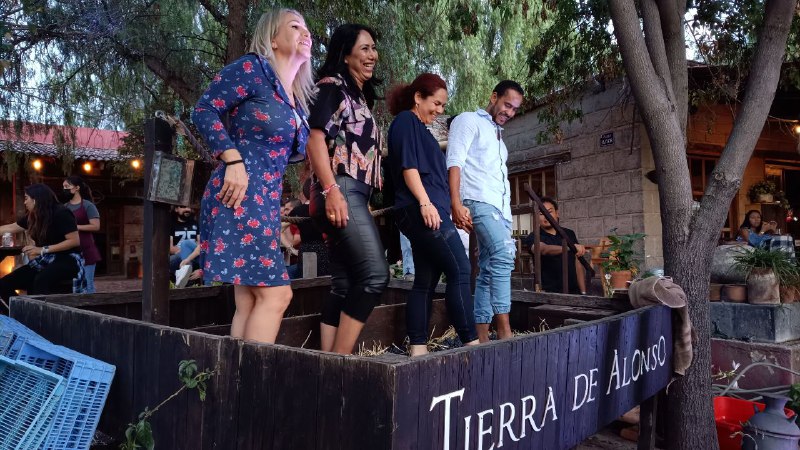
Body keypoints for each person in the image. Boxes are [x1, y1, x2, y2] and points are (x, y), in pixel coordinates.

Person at [191, 8, 314, 344]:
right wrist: (232, 160)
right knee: (277, 296)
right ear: (272, 39)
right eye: (294, 26)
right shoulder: (252, 69)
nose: (305, 32)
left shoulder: (296, 103)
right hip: (240, 191)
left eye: (306, 28)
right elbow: (203, 109)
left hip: (264, 202)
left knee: (249, 300)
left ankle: (234, 390)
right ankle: (254, 388)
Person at [307, 23, 389, 354]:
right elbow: (314, 138)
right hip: (338, 191)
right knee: (374, 277)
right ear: (346, 52)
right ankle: (341, 363)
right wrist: (333, 192)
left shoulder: (356, 95)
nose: (373, 55)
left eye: (374, 49)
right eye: (365, 48)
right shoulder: (332, 87)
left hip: (348, 193)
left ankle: (327, 364)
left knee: (344, 284)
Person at [386, 73, 479, 356]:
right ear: (418, 97)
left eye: (442, 105)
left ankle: (418, 348)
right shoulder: (405, 122)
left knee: (425, 281)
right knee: (460, 269)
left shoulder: (423, 130)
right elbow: (408, 166)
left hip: (432, 211)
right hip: (422, 210)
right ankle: (472, 344)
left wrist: (451, 208)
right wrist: (425, 203)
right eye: (436, 103)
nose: (440, 111)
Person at [447, 80, 524, 342]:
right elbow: (454, 161)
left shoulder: (499, 138)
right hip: (477, 201)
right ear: (494, 97)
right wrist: (455, 202)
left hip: (500, 210)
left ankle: (481, 336)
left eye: (514, 109)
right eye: (506, 105)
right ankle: (505, 331)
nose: (510, 113)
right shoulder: (469, 120)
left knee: (489, 268)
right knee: (504, 255)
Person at [0, 184, 83, 303]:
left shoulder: (62, 212)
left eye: (26, 198)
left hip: (68, 259)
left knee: (40, 280)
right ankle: (22, 313)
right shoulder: (33, 215)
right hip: (45, 259)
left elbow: (74, 241)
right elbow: (12, 227)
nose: (25, 202)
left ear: (35, 199)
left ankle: (40, 316)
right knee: (4, 284)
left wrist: (42, 249)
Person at [522, 197, 587, 294]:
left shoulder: (569, 233)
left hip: (573, 291)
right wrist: (570, 248)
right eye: (541, 214)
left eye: (549, 211)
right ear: (536, 217)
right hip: (548, 293)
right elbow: (543, 249)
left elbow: (577, 263)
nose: (546, 216)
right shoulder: (533, 236)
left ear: (557, 213)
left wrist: (583, 292)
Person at [63, 176, 101, 293]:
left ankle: (91, 309)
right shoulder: (65, 207)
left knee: (87, 284)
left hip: (86, 250)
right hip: (71, 251)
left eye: (67, 187)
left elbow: (95, 226)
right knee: (74, 285)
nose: (64, 189)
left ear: (77, 188)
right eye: (63, 187)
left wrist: (75, 227)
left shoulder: (88, 205)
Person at [287, 178, 329, 278]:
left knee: (307, 283)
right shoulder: (324, 208)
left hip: (306, 249)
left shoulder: (298, 210)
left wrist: (289, 246)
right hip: (322, 249)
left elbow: (281, 228)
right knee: (323, 283)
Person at [169, 205, 199, 279]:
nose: (188, 209)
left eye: (189, 207)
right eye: (183, 207)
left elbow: (200, 243)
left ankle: (184, 275)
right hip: (179, 254)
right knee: (170, 261)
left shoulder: (195, 223)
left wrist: (190, 254)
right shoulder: (171, 225)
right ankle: (186, 276)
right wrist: (184, 252)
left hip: (195, 253)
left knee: (185, 244)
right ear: (176, 209)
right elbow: (170, 248)